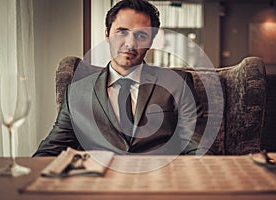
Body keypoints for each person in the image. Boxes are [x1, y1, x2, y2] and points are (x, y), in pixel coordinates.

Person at [33, 0, 211, 156]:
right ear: (107, 34)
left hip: (159, 183)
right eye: (122, 32)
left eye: (141, 35)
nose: (130, 43)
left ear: (151, 41)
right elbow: (51, 148)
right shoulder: (77, 92)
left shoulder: (177, 83)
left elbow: (196, 146)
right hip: (99, 185)